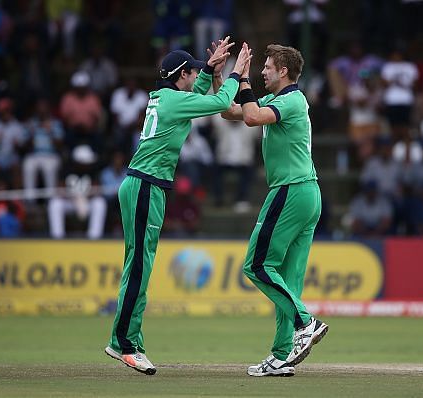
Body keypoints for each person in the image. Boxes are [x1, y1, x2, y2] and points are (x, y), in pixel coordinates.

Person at [104, 37, 251, 375]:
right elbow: (221, 102)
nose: (195, 76)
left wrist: (210, 67)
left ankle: (130, 338)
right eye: (192, 72)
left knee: (138, 265)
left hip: (142, 185)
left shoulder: (165, 98)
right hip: (145, 186)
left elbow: (195, 95)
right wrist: (235, 73)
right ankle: (123, 343)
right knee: (139, 267)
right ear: (181, 75)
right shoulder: (172, 102)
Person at [221, 44, 328, 377]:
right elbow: (229, 112)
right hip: (306, 193)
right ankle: (282, 354)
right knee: (287, 281)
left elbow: (251, 117)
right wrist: (224, 75)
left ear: (283, 71)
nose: (263, 71)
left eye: (267, 67)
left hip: (291, 191)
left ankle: (306, 323)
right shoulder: (278, 100)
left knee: (255, 266)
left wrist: (244, 81)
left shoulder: (292, 100)